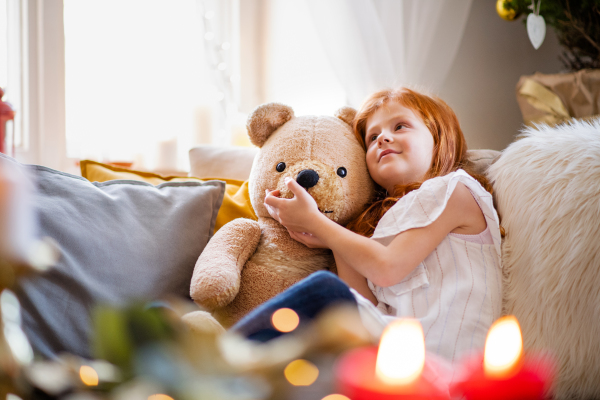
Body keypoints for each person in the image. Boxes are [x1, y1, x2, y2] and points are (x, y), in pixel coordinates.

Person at [231, 88, 502, 365]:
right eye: (372, 138)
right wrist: (331, 238)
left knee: (324, 289)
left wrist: (318, 224)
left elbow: (387, 268)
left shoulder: (455, 189)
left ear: (439, 138)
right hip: (393, 356)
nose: (383, 138)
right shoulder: (387, 220)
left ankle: (220, 363)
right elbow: (363, 302)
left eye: (400, 126)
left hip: (444, 365)